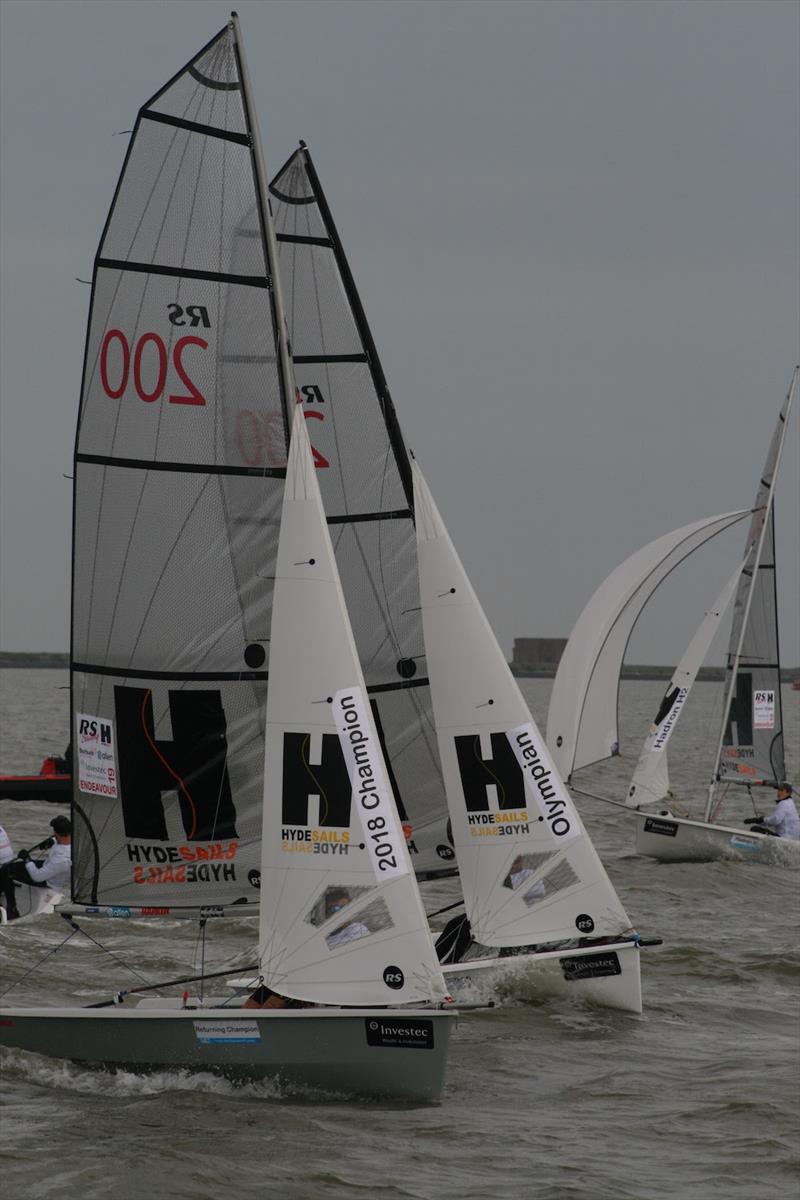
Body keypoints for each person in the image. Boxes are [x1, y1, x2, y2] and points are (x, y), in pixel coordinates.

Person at [0, 815, 71, 920]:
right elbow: (59, 841)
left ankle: (12, 909)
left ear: (56, 832)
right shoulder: (68, 841)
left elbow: (37, 877)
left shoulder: (62, 859)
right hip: (50, 867)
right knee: (11, 866)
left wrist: (27, 860)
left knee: (7, 870)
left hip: (48, 881)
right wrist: (51, 841)